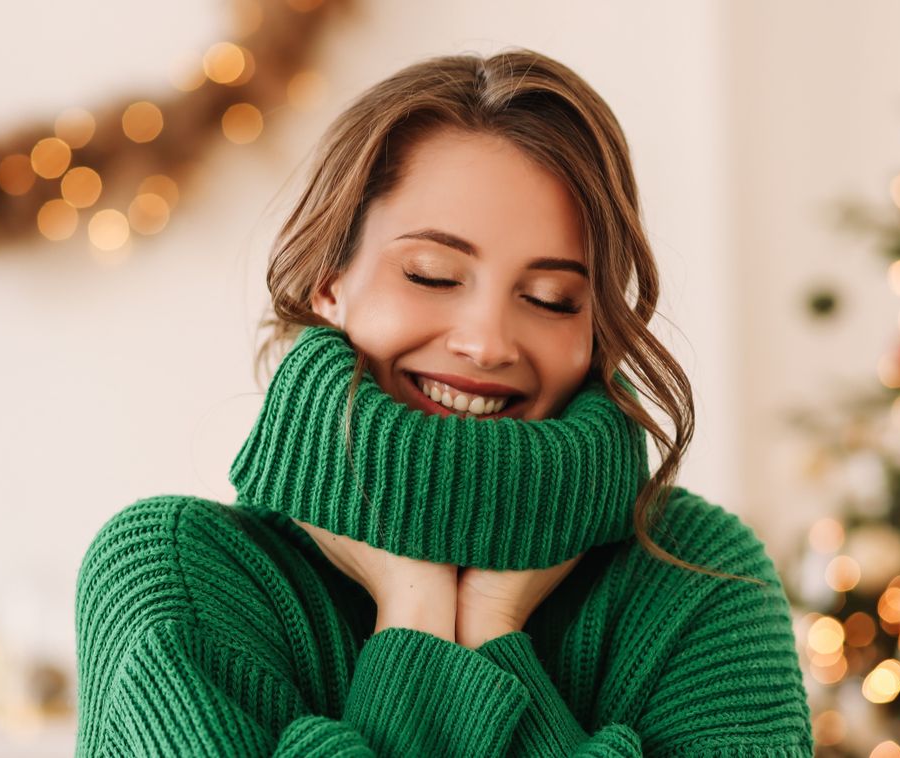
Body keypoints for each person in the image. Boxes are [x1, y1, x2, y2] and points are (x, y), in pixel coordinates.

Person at [74, 48, 814, 757]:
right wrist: (416, 615)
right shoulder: (175, 574)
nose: (488, 341)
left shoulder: (698, 579)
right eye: (431, 274)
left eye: (550, 298)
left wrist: (492, 628)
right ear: (329, 281)